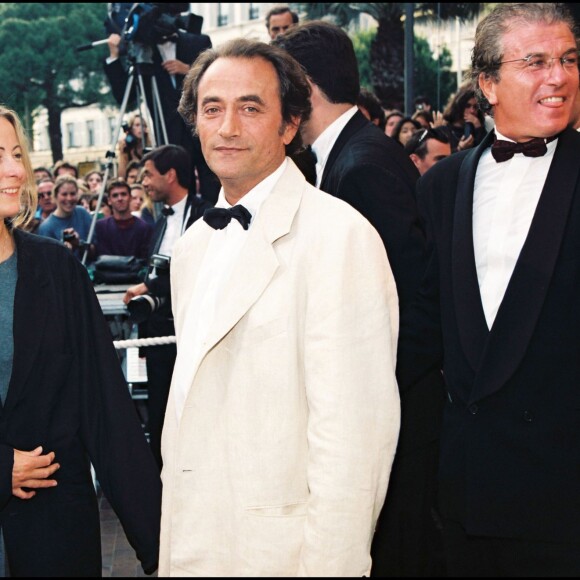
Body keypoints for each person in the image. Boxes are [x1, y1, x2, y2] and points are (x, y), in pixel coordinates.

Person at [160, 36, 400, 577]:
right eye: (212, 109)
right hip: (198, 544)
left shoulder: (340, 237)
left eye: (250, 107)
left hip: (282, 555)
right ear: (194, 123)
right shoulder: (192, 247)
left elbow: (355, 442)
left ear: (290, 125)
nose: (227, 128)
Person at [399, 3, 580, 576]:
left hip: (565, 497)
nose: (558, 76)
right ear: (487, 84)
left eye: (568, 59)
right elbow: (424, 331)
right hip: (468, 493)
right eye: (535, 62)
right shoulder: (444, 184)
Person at [273, 21, 445, 578]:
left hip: (397, 412)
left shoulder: (362, 166)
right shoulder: (351, 155)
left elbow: (414, 303)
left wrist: (368, 394)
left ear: (302, 85)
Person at [0, 105, 161, 576]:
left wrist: (159, 546)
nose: (13, 170)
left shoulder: (56, 270)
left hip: (53, 535)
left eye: (15, 154)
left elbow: (106, 411)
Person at [123, 144, 211, 470]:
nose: (143, 182)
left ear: (170, 175)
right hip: (160, 334)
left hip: (196, 334)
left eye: (148, 174)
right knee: (160, 410)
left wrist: (151, 285)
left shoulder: (208, 215)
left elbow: (199, 268)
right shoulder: (157, 221)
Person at [104, 5, 220, 205]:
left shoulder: (198, 42)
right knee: (180, 186)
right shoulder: (144, 54)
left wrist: (189, 69)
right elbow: (127, 96)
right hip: (167, 131)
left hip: (202, 125)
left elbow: (218, 80)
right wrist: (114, 57)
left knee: (212, 178)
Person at [37, 174, 94, 259]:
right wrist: (64, 250)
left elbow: (95, 251)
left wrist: (79, 243)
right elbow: (48, 262)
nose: (69, 198)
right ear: (55, 196)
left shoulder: (83, 213)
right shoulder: (46, 227)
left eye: (72, 194)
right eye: (64, 194)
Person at [94, 177, 153, 260]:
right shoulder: (100, 227)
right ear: (109, 201)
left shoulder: (144, 228)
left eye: (123, 194)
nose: (120, 198)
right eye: (115, 195)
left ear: (130, 197)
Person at [442, 82, 488, 152]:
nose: (472, 111)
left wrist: (478, 127)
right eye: (468, 106)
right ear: (460, 106)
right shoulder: (446, 128)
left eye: (475, 107)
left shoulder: (478, 127)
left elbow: (486, 150)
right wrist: (459, 148)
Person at [117, 112, 151, 181]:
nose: (141, 128)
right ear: (130, 128)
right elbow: (121, 176)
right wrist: (122, 153)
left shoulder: (149, 145)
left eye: (143, 125)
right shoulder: (126, 146)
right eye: (137, 125)